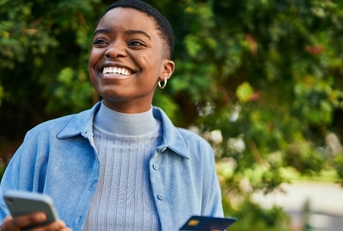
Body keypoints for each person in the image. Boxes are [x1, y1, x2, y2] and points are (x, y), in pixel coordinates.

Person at [0, 0, 224, 230]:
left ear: (165, 69)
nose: (113, 50)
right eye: (101, 41)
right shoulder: (44, 141)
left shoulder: (196, 154)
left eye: (135, 43)